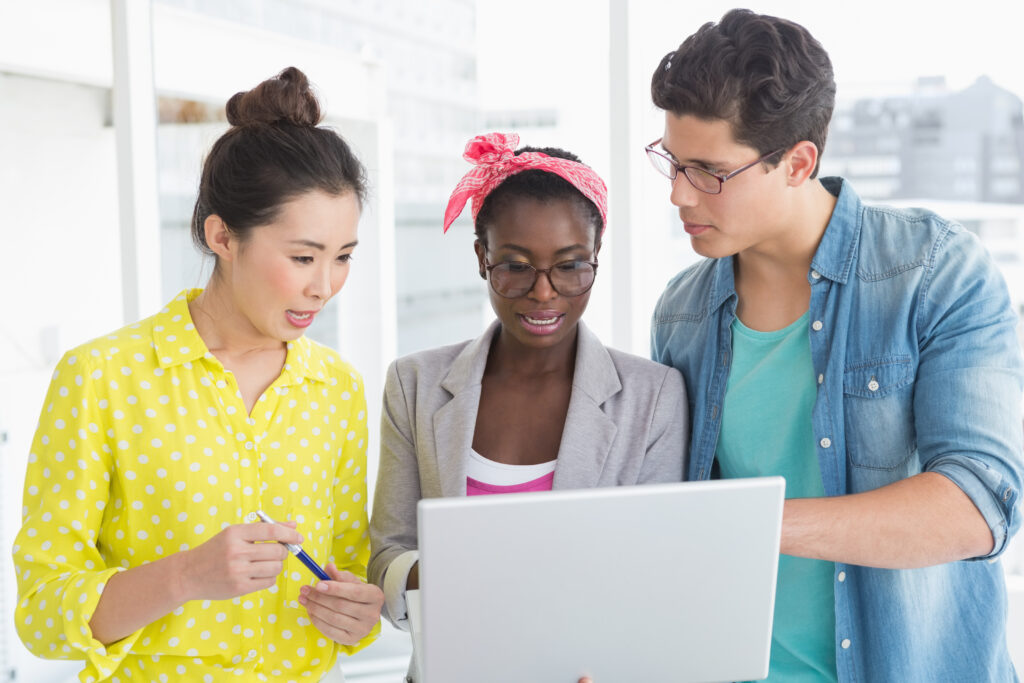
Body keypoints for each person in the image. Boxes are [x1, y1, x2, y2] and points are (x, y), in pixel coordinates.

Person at [646, 9, 1024, 682]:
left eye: (708, 171)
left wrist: (749, 523)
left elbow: (978, 504)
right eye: (672, 161)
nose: (678, 193)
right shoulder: (681, 312)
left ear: (798, 163)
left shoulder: (936, 273)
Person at [12, 67, 384, 682]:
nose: (324, 287)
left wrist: (358, 614)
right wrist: (185, 576)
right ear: (222, 236)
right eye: (302, 257)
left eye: (342, 258)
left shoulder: (336, 389)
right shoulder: (102, 379)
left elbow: (349, 567)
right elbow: (42, 614)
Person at [368, 132, 687, 680]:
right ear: (480, 257)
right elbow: (387, 561)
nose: (544, 294)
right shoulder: (414, 383)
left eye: (570, 266)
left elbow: (660, 576)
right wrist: (457, 573)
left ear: (596, 258)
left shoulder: (653, 396)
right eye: (515, 266)